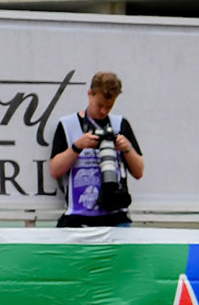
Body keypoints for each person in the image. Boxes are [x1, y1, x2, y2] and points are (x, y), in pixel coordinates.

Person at [48, 71, 143, 228]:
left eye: (109, 106)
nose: (104, 111)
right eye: (100, 105)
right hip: (78, 215)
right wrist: (77, 146)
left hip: (115, 216)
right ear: (90, 94)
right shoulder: (68, 125)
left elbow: (139, 172)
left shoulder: (119, 124)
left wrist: (127, 148)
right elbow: (55, 170)